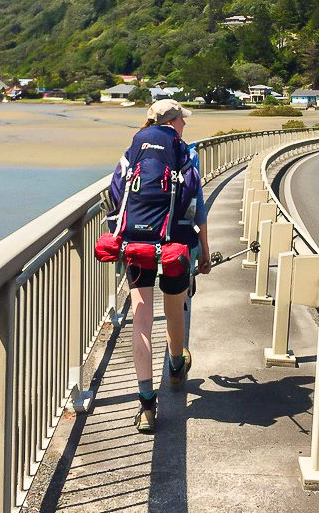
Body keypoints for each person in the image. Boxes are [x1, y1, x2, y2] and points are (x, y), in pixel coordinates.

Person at [106, 99, 210, 434]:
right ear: (174, 121)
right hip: (176, 242)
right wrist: (203, 250)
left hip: (136, 243)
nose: (185, 125)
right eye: (183, 120)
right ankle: (177, 367)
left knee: (142, 318)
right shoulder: (185, 152)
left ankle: (147, 406)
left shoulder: (132, 149)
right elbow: (196, 205)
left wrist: (122, 235)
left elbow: (115, 192)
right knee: (175, 309)